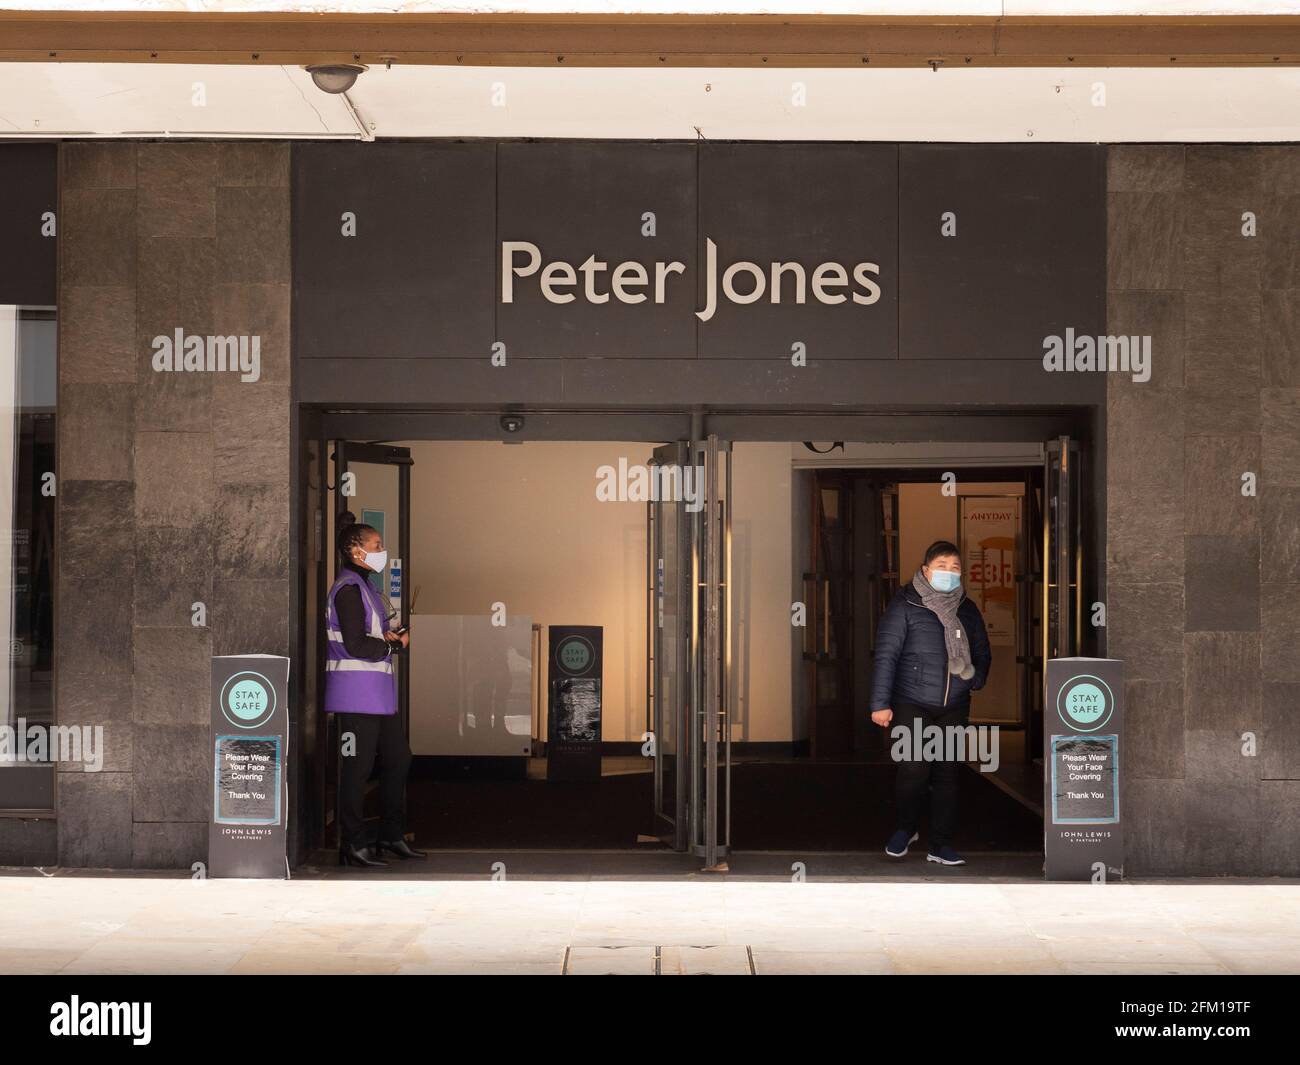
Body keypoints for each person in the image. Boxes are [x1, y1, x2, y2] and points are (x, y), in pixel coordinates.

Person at [869, 539, 991, 866]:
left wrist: (974, 680)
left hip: (953, 706)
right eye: (942, 567)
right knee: (914, 770)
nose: (949, 573)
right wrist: (880, 703)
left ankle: (940, 844)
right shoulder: (905, 605)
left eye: (955, 568)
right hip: (912, 702)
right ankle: (906, 829)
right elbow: (886, 656)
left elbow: (981, 651)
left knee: (948, 775)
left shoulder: (966, 608)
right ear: (926, 570)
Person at [324, 512, 424, 866]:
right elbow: (355, 644)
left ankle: (391, 835)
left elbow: (378, 631)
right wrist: (392, 645)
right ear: (355, 550)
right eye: (376, 545)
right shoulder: (348, 590)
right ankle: (353, 843)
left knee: (399, 758)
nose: (382, 551)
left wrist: (392, 636)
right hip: (354, 693)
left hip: (377, 695)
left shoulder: (367, 588)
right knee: (357, 768)